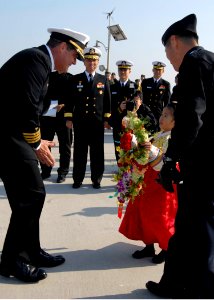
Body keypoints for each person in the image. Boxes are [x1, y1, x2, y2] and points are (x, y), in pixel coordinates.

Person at [0, 27, 89, 283]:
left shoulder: (40, 64)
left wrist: (39, 141)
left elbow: (29, 107)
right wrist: (37, 144)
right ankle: (11, 261)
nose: (73, 63)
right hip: (7, 138)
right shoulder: (35, 60)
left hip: (13, 137)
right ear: (62, 48)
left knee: (25, 198)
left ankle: (30, 250)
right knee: (32, 195)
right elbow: (27, 107)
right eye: (74, 56)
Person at [146, 14, 214, 299]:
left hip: (201, 163)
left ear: (174, 41)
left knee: (200, 226)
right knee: (189, 225)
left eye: (166, 51)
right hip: (206, 160)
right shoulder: (210, 59)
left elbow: (191, 119)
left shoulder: (194, 63)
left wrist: (173, 161)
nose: (169, 59)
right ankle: (177, 283)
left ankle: (201, 287)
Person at [119, 103, 177, 264]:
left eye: (166, 115)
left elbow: (163, 162)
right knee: (142, 212)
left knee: (160, 217)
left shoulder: (173, 138)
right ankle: (149, 245)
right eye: (162, 114)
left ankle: (167, 249)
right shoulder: (159, 134)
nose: (161, 118)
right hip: (146, 181)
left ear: (175, 121)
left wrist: (150, 150)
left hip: (161, 185)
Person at [65, 47, 111, 189]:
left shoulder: (103, 79)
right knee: (80, 152)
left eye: (94, 60)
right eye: (89, 60)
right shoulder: (76, 79)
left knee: (97, 153)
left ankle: (96, 179)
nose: (92, 63)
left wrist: (107, 119)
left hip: (97, 123)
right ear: (84, 61)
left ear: (98, 62)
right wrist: (68, 118)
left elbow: (107, 101)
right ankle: (78, 178)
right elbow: (69, 100)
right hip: (81, 122)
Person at [40, 71, 73, 183]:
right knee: (45, 144)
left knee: (65, 146)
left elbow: (74, 97)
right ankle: (45, 170)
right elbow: (41, 94)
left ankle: (63, 172)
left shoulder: (70, 78)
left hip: (63, 116)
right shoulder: (47, 76)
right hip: (47, 115)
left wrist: (63, 105)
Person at [109, 60, 138, 162]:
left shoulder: (135, 86)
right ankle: (121, 170)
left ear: (129, 71)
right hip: (117, 122)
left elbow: (138, 103)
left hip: (131, 123)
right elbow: (109, 106)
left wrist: (136, 106)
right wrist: (119, 108)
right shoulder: (112, 87)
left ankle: (130, 170)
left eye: (125, 70)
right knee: (118, 148)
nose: (123, 72)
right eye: (121, 69)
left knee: (131, 146)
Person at [141, 61, 171, 130]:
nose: (158, 72)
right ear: (153, 70)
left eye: (160, 70)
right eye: (156, 69)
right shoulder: (146, 82)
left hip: (158, 115)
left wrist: (166, 116)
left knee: (157, 136)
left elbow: (167, 101)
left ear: (163, 71)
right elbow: (141, 98)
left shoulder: (166, 84)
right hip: (146, 113)